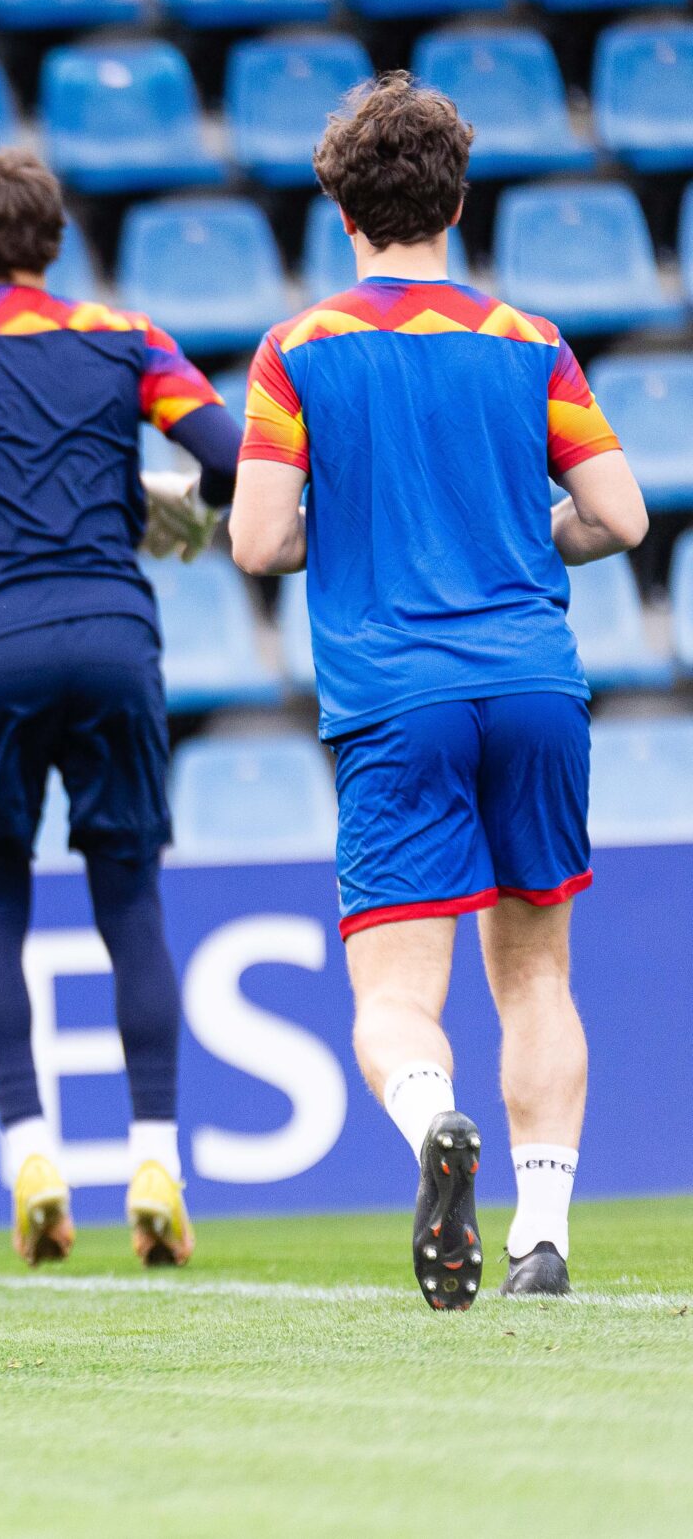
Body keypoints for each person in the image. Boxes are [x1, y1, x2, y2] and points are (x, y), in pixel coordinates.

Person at [229, 73, 645, 1307]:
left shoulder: (299, 348)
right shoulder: (530, 341)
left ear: (340, 210)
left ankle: (434, 1134)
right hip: (529, 683)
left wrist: (346, 522)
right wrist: (531, 536)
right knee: (536, 979)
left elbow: (255, 541)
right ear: (456, 201)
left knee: (396, 998)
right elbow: (617, 517)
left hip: (394, 699)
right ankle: (544, 1235)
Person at [0, 149, 240, 1269]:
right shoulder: (127, 337)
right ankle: (156, 1155)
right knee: (131, 904)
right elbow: (228, 454)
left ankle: (30, 1152)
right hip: (115, 636)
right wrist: (161, 507)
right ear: (54, 240)